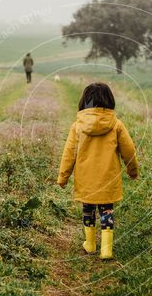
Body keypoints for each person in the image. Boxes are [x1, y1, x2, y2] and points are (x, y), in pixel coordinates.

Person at [56, 82, 139, 260]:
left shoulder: (77, 126)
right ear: (109, 101)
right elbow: (129, 151)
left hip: (86, 179)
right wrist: (132, 171)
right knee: (106, 210)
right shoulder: (116, 125)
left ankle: (91, 244)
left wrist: (63, 177)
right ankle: (107, 250)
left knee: (88, 209)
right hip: (108, 179)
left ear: (84, 101)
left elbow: (69, 154)